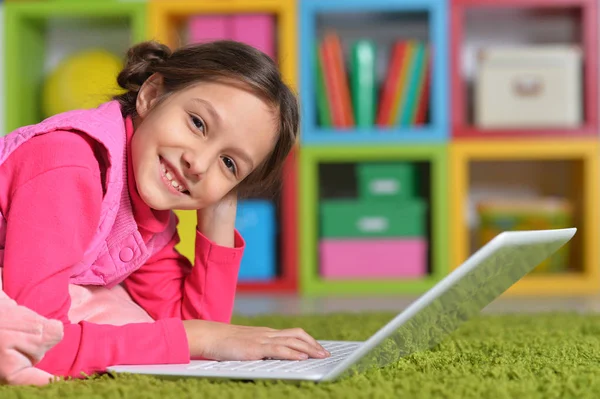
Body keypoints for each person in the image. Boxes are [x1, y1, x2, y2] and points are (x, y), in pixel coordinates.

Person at [0, 40, 329, 386]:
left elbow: (202, 328)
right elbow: (38, 343)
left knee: (133, 320)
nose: (198, 164)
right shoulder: (69, 164)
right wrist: (197, 339)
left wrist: (218, 215)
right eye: (198, 124)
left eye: (229, 163)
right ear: (152, 95)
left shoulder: (150, 217)